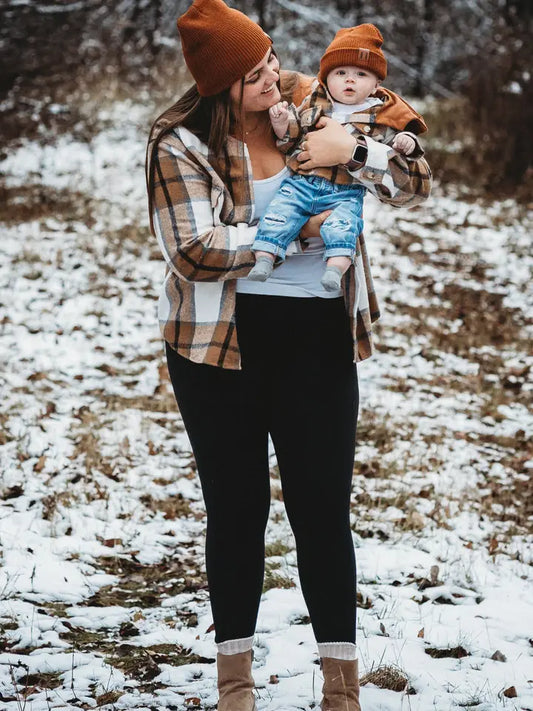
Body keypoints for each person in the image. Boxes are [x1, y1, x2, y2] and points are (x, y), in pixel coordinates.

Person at [145, 1, 431, 709]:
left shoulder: (320, 98)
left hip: (316, 341)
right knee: (237, 511)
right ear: (219, 88)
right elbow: (190, 249)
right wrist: (296, 231)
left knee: (322, 510)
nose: (273, 76)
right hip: (218, 350)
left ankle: (342, 690)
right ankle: (234, 687)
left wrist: (355, 153)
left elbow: (417, 182)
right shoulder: (179, 142)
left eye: (270, 58)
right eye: (252, 74)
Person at [248, 24, 427, 292]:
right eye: (340, 73)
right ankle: (265, 256)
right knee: (281, 212)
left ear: (376, 83)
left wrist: (353, 152)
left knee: (344, 226)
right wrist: (282, 125)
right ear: (326, 77)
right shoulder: (311, 102)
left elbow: (414, 179)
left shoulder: (383, 113)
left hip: (344, 192)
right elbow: (291, 138)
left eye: (361, 74)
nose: (349, 80)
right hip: (303, 185)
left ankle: (336, 267)